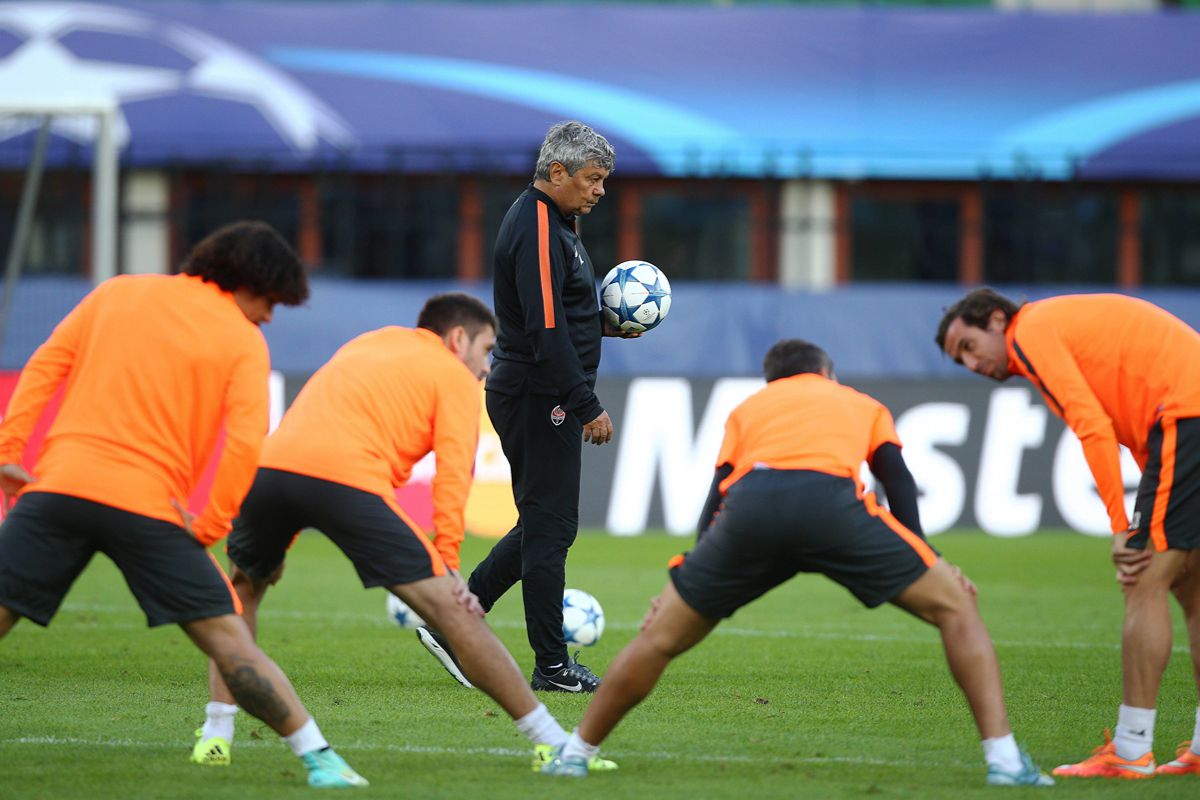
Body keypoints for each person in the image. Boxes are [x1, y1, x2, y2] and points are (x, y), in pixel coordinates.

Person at [539, 339, 1054, 787]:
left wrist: (689, 576)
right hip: (832, 505)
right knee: (957, 608)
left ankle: (576, 753)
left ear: (772, 381)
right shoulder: (861, 402)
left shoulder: (749, 408)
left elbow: (716, 496)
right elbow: (897, 480)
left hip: (752, 510)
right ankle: (1005, 761)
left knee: (658, 640)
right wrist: (932, 562)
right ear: (827, 373)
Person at [0, 221, 368, 788]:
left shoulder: (114, 293)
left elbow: (45, 367)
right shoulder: (243, 339)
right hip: (148, 508)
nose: (270, 316)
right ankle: (320, 760)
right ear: (247, 281)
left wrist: (7, 452)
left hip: (59, 488)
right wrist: (213, 524)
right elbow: (245, 445)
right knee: (230, 640)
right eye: (270, 301)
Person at [193, 292, 613, 774]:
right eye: (485, 350)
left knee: (243, 596)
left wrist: (278, 533)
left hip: (272, 470)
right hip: (347, 479)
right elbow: (453, 476)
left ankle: (216, 733)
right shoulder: (454, 377)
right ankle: (552, 743)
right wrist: (449, 566)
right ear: (458, 338)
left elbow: (312, 415)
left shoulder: (368, 342)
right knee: (456, 616)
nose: (485, 367)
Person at [936, 287, 1200, 779]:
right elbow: (1128, 420)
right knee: (1193, 588)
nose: (972, 364)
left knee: (1144, 579)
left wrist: (1121, 527)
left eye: (968, 347)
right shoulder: (1055, 324)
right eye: (960, 360)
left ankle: (1131, 750)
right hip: (1185, 412)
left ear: (996, 320)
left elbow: (1093, 427)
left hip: (1185, 414)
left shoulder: (1029, 333)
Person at [419, 120, 629, 695]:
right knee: (551, 527)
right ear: (557, 172)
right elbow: (543, 328)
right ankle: (552, 665)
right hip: (539, 394)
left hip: (540, 390)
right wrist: (584, 403)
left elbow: (559, 316)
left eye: (604, 180)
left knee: (544, 523)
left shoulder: (556, 222)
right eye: (593, 178)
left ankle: (454, 621)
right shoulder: (537, 224)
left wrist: (603, 326)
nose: (600, 190)